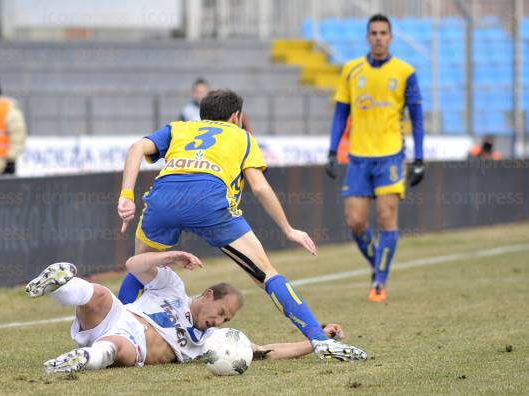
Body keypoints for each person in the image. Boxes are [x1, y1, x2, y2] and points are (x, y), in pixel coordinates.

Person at [117, 89, 366, 361]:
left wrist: (126, 195)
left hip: (163, 199)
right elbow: (259, 187)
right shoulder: (242, 136)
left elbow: (136, 148)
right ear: (236, 116)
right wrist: (288, 229)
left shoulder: (178, 128)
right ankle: (319, 341)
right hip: (210, 201)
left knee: (139, 268)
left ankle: (115, 328)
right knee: (268, 275)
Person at [26, 251, 359, 373]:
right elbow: (132, 265)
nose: (220, 321)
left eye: (227, 320)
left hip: (135, 344)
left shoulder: (210, 341)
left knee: (116, 347)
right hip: (121, 316)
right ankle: (61, 284)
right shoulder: (171, 287)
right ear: (209, 294)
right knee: (97, 295)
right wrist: (167, 257)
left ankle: (82, 360)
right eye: (221, 313)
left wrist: (315, 343)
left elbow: (264, 351)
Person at [325, 14, 425, 303]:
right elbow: (340, 113)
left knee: (385, 217)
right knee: (355, 222)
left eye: (384, 33)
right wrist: (332, 150)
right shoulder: (351, 70)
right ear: (368, 37)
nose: (379, 37)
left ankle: (379, 282)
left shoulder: (405, 72)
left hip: (391, 156)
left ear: (390, 37)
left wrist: (419, 158)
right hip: (358, 158)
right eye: (374, 33)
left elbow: (417, 119)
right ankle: (378, 264)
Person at [179, 78, 253, 133]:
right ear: (193, 93)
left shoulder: (215, 108)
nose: (200, 95)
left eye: (202, 92)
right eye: (198, 92)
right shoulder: (187, 111)